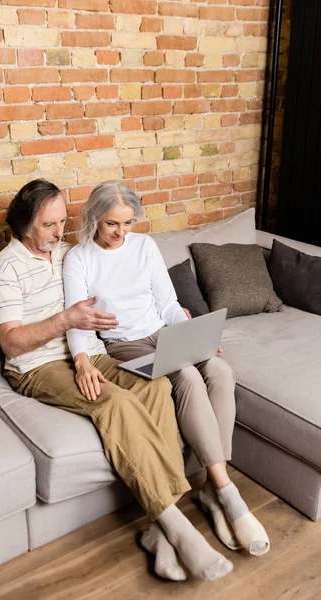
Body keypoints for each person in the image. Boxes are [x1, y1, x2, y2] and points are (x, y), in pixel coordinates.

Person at [0, 178, 233, 583]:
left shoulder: (67, 254)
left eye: (62, 222)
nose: (59, 233)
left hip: (91, 353)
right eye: (49, 225)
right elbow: (11, 343)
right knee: (115, 402)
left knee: (155, 384)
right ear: (25, 223)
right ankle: (176, 526)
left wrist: (176, 316)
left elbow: (112, 278)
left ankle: (158, 530)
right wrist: (68, 321)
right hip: (38, 367)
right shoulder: (4, 268)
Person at [63, 180, 270, 558]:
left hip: (163, 332)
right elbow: (77, 320)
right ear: (94, 217)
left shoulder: (144, 245)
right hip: (125, 346)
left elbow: (169, 303)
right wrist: (79, 359)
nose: (120, 232)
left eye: (127, 223)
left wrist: (193, 333)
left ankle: (209, 485)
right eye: (112, 224)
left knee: (220, 370)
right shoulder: (79, 258)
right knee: (187, 376)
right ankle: (226, 489)